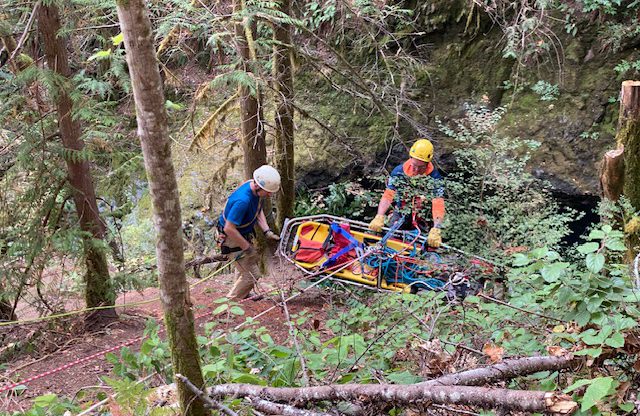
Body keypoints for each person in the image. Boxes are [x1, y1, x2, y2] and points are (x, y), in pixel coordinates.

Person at [218, 165, 281, 300]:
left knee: (246, 264)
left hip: (240, 233)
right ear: (258, 186)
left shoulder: (253, 188)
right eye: (268, 191)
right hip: (230, 237)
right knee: (252, 273)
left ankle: (243, 293)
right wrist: (246, 247)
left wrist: (267, 231)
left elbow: (258, 209)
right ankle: (231, 302)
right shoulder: (243, 201)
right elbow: (228, 228)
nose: (270, 194)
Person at [368, 139, 445, 248]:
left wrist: (437, 227)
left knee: (425, 245)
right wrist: (379, 215)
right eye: (414, 166)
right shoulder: (399, 172)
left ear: (428, 163)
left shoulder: (435, 178)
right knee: (387, 239)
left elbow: (438, 203)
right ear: (410, 158)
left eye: (421, 167)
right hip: (400, 211)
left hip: (422, 216)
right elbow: (388, 195)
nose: (417, 170)